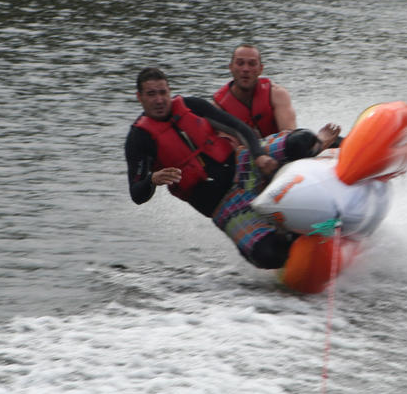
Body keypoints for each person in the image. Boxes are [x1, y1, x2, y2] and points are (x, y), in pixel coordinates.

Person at [125, 67, 324, 269]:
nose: (159, 100)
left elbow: (239, 128)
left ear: (169, 91)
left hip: (245, 166)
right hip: (224, 204)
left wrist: (259, 156)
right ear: (139, 97)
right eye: (151, 94)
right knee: (268, 255)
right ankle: (300, 241)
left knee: (302, 140)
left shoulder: (191, 106)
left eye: (163, 92)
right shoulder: (139, 138)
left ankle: (327, 151)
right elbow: (137, 194)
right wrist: (151, 180)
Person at [213, 43, 341, 146]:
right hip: (246, 162)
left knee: (337, 141)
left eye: (252, 64)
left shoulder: (276, 94)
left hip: (283, 153)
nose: (245, 69)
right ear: (231, 67)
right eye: (240, 63)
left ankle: (321, 144)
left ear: (260, 69)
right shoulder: (218, 107)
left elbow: (289, 137)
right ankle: (319, 143)